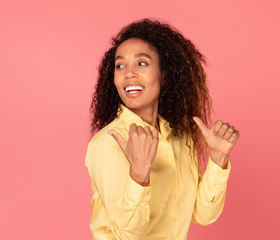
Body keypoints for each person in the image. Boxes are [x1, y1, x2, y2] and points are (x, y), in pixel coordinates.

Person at [85, 18, 240, 239]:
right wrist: (138, 174)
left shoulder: (179, 137)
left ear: (164, 74)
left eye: (142, 63)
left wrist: (218, 158)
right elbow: (125, 236)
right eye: (120, 65)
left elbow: (203, 215)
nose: (129, 73)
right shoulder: (107, 143)